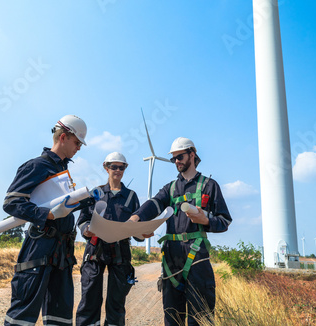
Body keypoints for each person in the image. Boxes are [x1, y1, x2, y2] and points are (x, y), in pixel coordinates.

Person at [128, 137, 232, 326]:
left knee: (199, 317)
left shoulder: (210, 185)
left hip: (197, 259)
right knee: (172, 317)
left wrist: (206, 220)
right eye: (174, 158)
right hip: (171, 260)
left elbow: (225, 221)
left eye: (180, 156)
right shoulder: (170, 188)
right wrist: (136, 218)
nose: (177, 161)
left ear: (192, 154)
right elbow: (155, 203)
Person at [3, 115, 87, 326]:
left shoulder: (63, 171)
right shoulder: (37, 166)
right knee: (21, 317)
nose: (79, 148)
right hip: (40, 248)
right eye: (77, 143)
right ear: (64, 137)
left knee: (59, 318)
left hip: (62, 254)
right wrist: (47, 214)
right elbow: (12, 202)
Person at [76, 152, 141, 326]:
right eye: (114, 167)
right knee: (89, 298)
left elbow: (137, 227)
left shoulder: (131, 197)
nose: (118, 170)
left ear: (125, 169)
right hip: (95, 251)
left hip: (120, 253)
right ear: (106, 167)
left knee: (116, 302)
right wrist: (86, 230)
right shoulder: (94, 193)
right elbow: (82, 220)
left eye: (121, 167)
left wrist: (142, 233)